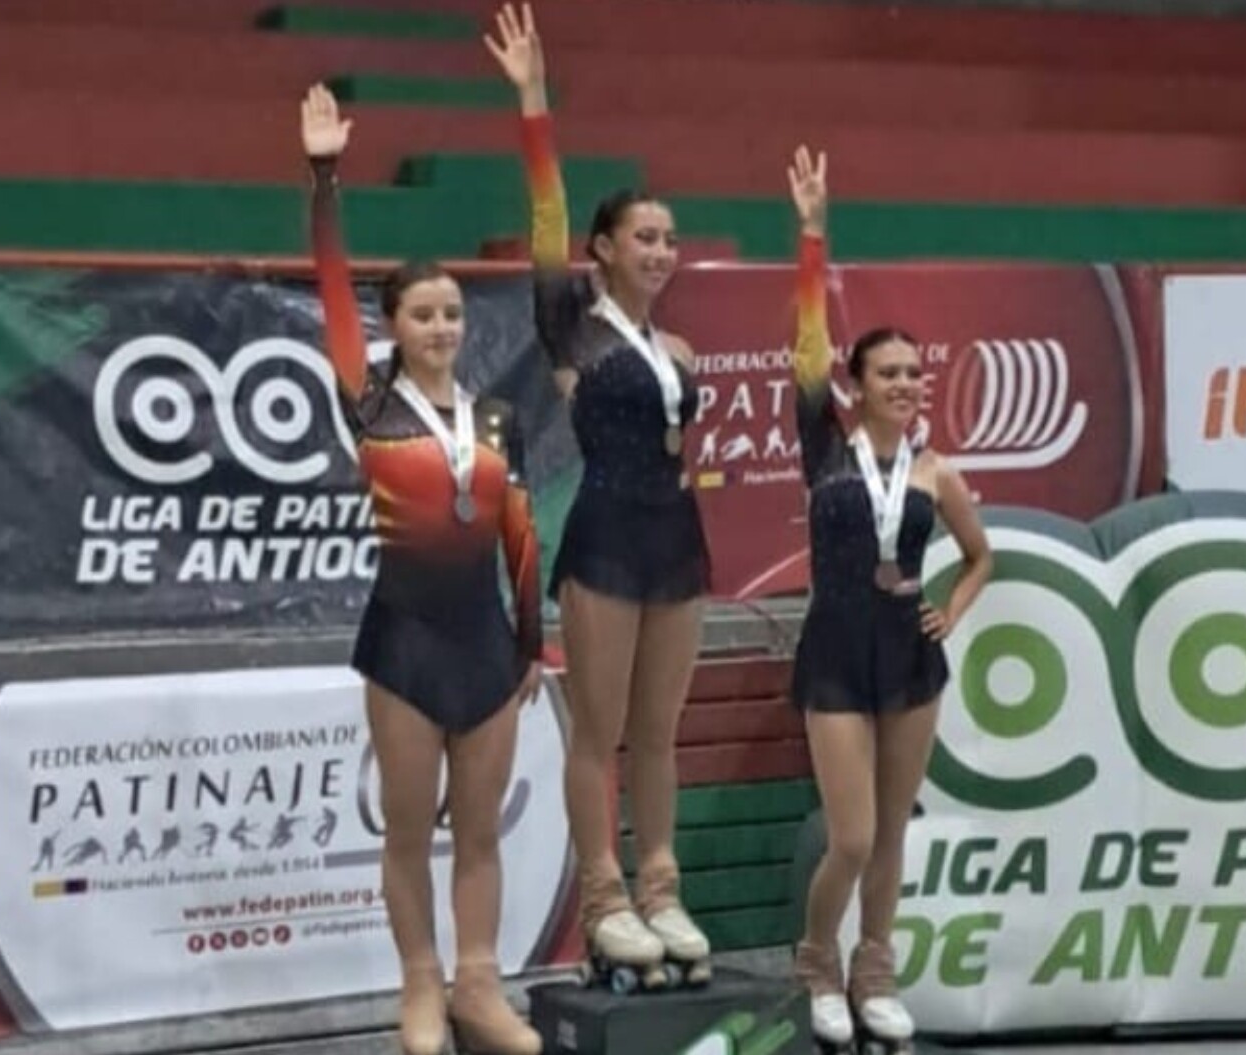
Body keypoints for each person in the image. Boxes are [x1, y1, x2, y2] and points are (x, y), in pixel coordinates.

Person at [301, 83, 545, 1055]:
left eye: (452, 313)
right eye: (423, 314)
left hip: (488, 644)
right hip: (403, 642)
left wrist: (533, 642)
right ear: (392, 325)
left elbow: (520, 533)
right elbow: (330, 289)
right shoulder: (370, 404)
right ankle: (419, 983)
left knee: (479, 831)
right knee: (409, 830)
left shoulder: (496, 419)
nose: (442, 327)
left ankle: (479, 983)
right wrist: (324, 178)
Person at [485, 4, 713, 990]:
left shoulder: (681, 350)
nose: (661, 250)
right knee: (599, 728)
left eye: (670, 238)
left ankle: (661, 888)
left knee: (659, 733)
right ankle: (605, 897)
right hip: (606, 538)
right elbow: (545, 221)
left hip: (678, 542)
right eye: (643, 236)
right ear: (603, 249)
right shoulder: (573, 329)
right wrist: (535, 105)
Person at [782, 145, 993, 1052]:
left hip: (909, 654)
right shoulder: (824, 448)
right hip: (836, 652)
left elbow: (981, 557)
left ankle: (876, 970)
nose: (905, 384)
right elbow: (806, 343)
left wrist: (955, 605)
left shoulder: (937, 471)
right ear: (855, 384)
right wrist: (812, 234)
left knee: (895, 829)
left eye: (914, 372)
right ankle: (816, 961)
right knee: (854, 836)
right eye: (888, 373)